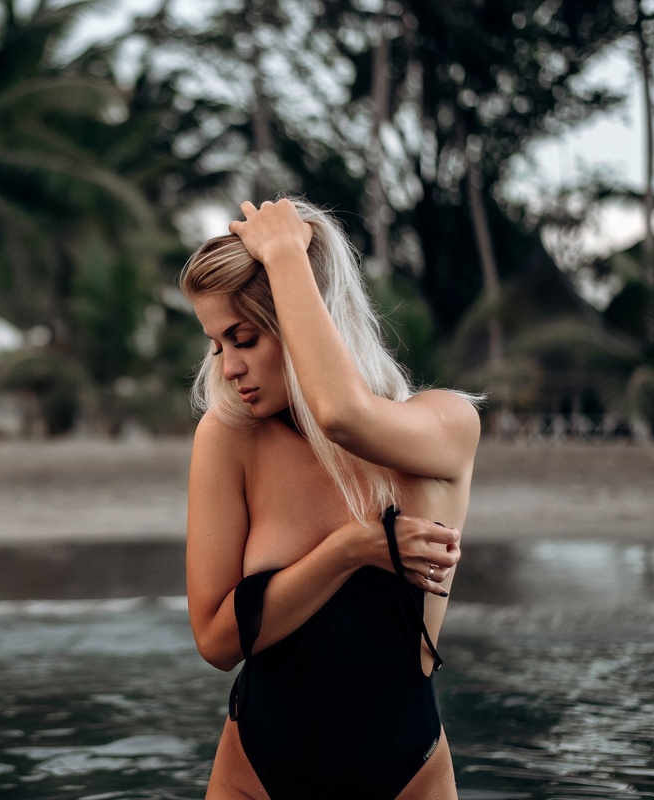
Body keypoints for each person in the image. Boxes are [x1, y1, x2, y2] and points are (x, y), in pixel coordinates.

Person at [180, 197, 481, 799]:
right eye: (217, 345)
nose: (230, 367)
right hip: (255, 774)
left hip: (406, 777)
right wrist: (351, 549)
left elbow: (342, 413)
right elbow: (216, 640)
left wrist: (288, 253)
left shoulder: (442, 429)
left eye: (243, 337)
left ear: (300, 317)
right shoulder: (230, 438)